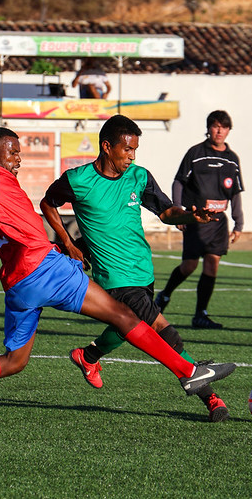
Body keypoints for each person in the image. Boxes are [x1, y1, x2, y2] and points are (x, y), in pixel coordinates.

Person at [0, 123, 236, 417]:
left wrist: (62, 243)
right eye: (13, 152)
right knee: (125, 316)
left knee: (15, 361)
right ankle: (189, 371)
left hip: (19, 281)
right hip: (46, 268)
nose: (19, 158)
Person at [40, 114, 230, 422]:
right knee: (165, 333)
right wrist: (68, 243)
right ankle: (207, 393)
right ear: (106, 147)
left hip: (142, 270)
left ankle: (88, 356)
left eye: (135, 149)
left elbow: (167, 212)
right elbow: (48, 203)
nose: (132, 156)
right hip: (113, 277)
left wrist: (192, 216)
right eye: (127, 149)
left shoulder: (139, 177)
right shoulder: (78, 180)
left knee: (126, 326)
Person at [154, 110, 244, 330]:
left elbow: (236, 193)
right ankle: (164, 296)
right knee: (189, 266)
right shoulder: (196, 153)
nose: (219, 131)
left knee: (212, 265)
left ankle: (200, 314)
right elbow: (178, 182)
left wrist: (238, 223)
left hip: (219, 222)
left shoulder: (232, 159)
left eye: (224, 127)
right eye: (215, 126)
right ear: (208, 128)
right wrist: (177, 211)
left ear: (229, 130)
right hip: (197, 218)